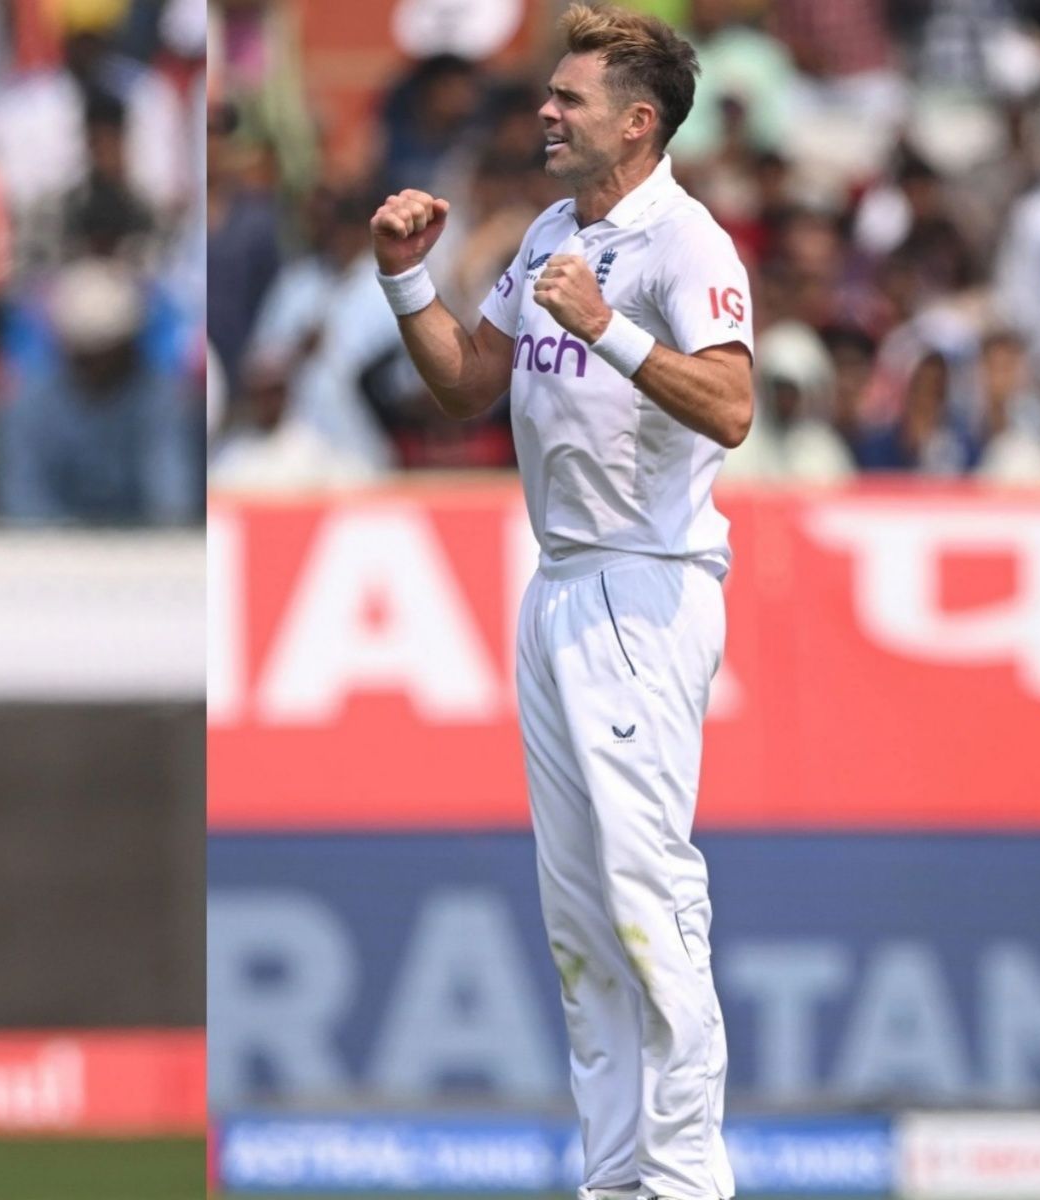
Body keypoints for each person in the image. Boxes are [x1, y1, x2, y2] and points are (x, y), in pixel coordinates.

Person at [370, 7, 751, 1199]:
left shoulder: (688, 246)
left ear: (637, 123)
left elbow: (733, 410)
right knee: (580, 918)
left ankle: (688, 1179)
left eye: (569, 100)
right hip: (557, 588)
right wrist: (404, 278)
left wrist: (616, 335)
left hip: (647, 586)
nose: (544, 111)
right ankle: (616, 1178)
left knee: (648, 891)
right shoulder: (545, 231)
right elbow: (467, 386)